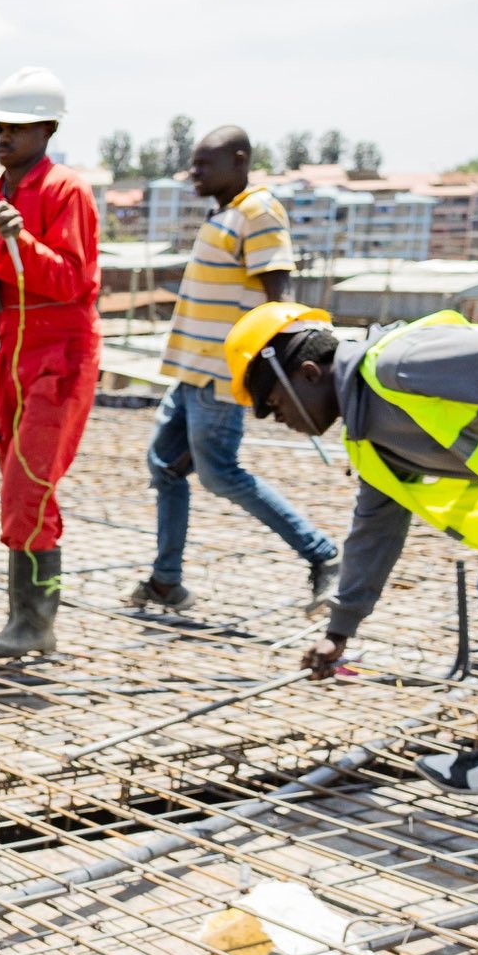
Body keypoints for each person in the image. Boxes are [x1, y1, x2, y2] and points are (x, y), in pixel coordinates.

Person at [228, 301, 478, 792]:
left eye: (273, 404)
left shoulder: (402, 362)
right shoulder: (369, 440)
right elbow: (376, 529)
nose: (276, 419)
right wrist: (341, 629)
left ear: (308, 373)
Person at [129, 126, 338, 612]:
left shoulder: (257, 211)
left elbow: (277, 297)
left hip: (224, 375)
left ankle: (324, 555)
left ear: (239, 161)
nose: (193, 173)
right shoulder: (223, 214)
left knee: (220, 473)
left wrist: (269, 373)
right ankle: (166, 582)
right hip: (192, 372)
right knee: (165, 467)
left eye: (204, 164)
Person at [0, 66, 101, 658]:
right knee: (19, 485)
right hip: (13, 355)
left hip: (60, 357)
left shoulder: (67, 191)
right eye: (0, 126)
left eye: (17, 127)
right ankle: (26, 620)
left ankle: (35, 625)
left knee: (29, 488)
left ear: (47, 129)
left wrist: (22, 244)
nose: (4, 136)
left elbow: (72, 280)